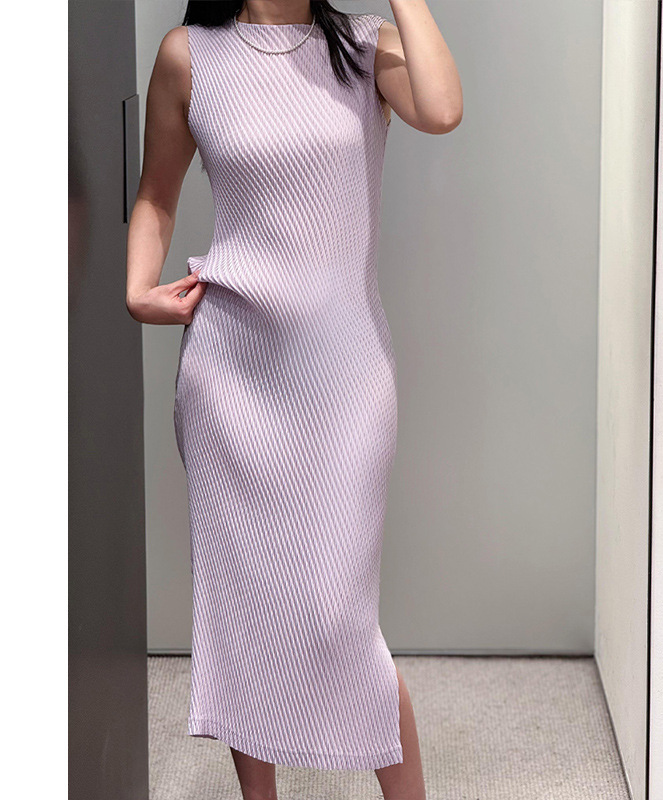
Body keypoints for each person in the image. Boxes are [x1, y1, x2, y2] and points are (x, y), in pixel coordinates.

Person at [125, 2, 461, 798]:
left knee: (338, 616)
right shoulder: (189, 56)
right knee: (246, 612)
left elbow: (443, 110)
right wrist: (138, 290)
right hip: (232, 376)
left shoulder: (366, 47)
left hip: (346, 376)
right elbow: (157, 194)